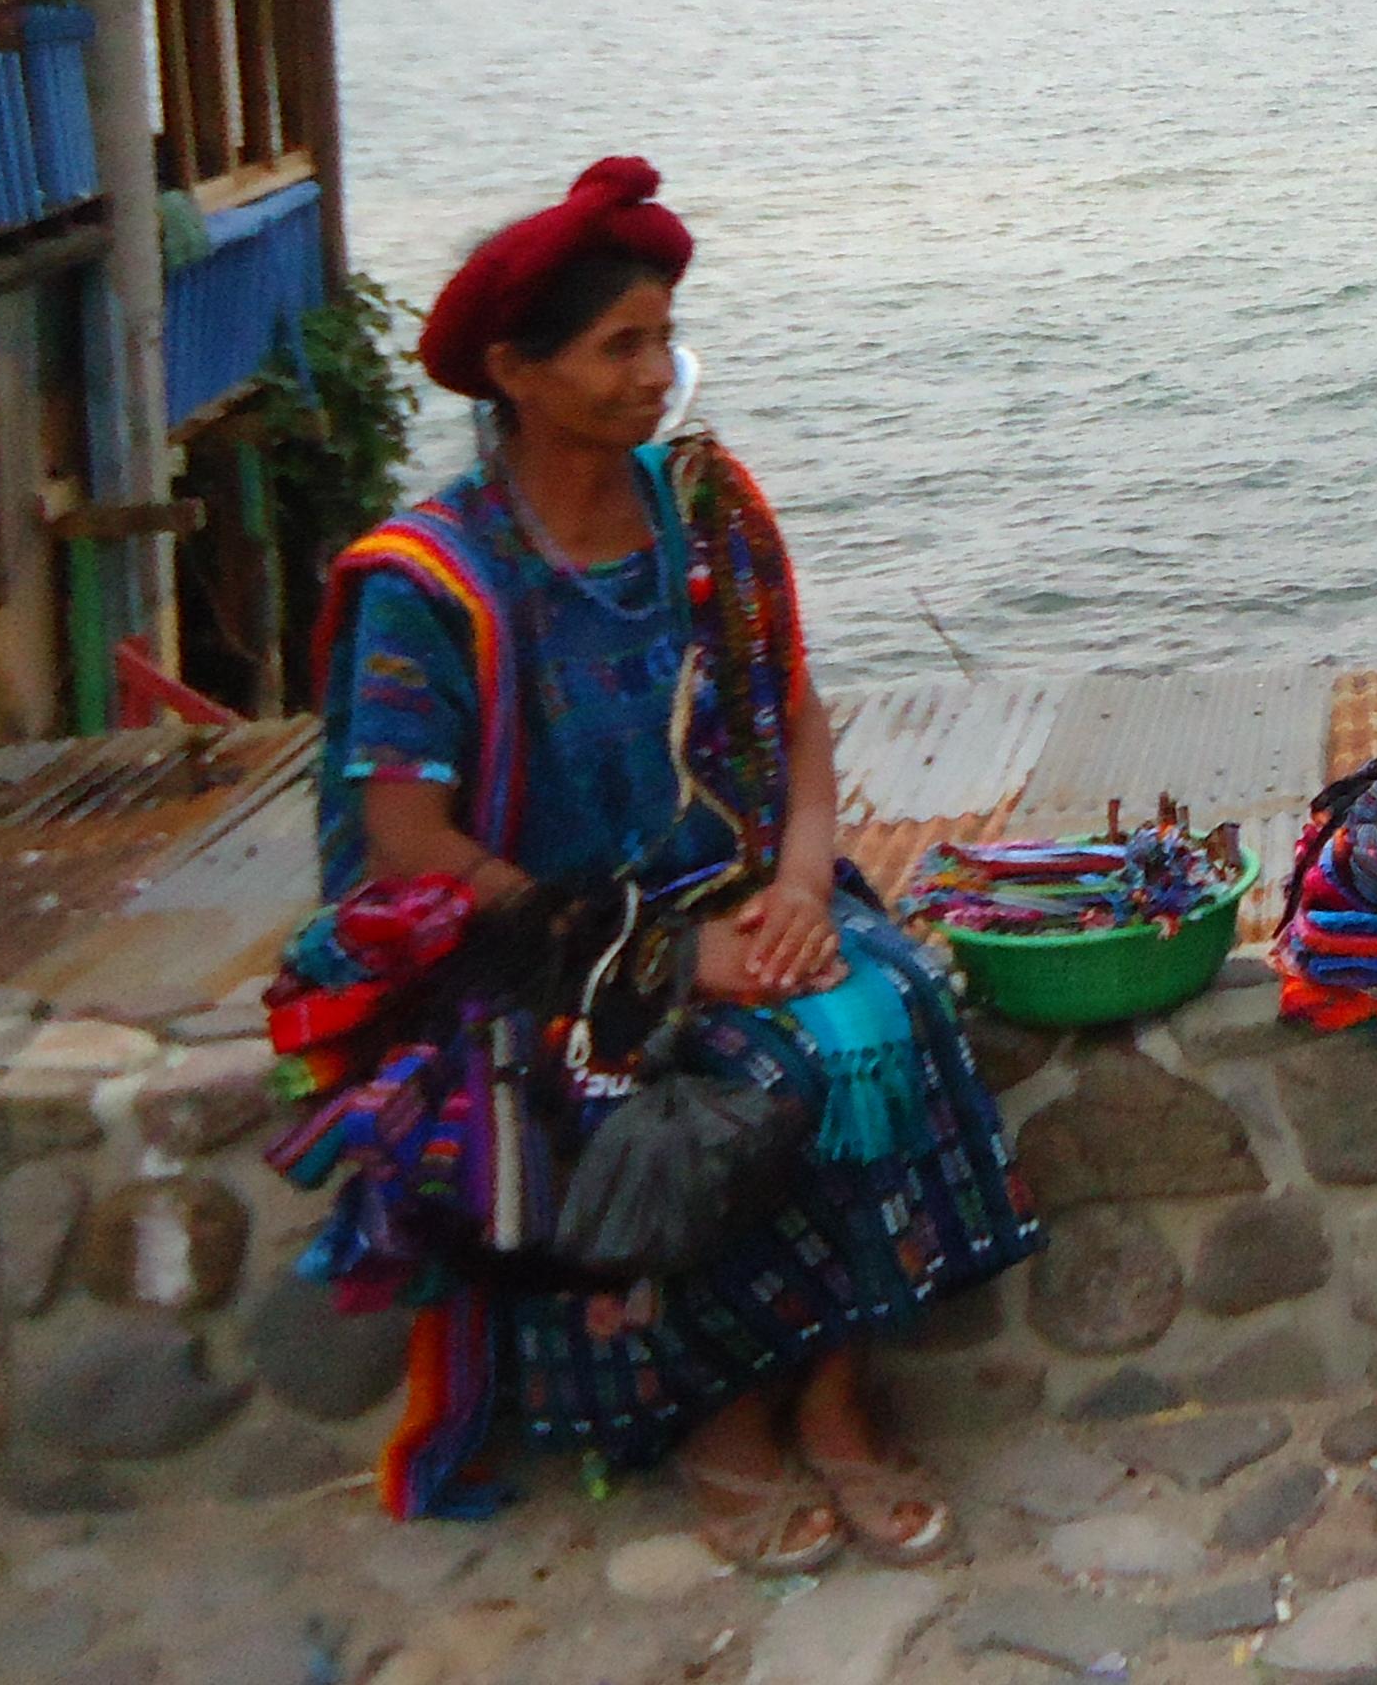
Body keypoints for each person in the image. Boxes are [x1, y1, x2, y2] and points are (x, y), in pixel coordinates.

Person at [311, 158, 1039, 1565]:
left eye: (662, 337)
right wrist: (656, 958)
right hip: (544, 946)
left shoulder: (706, 513)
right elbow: (409, 845)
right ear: (516, 373)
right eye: (618, 347)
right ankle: (720, 1424)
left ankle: (835, 1403)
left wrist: (807, 883)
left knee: (893, 1014)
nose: (658, 374)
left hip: (746, 898)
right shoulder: (430, 582)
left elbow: (799, 717)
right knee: (740, 1075)